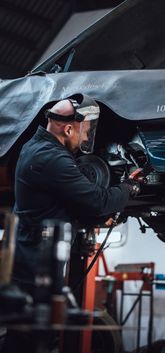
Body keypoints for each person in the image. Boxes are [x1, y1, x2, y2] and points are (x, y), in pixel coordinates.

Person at [12, 93, 139, 293]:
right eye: (86, 132)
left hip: (34, 258)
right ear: (69, 129)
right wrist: (129, 188)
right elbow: (98, 201)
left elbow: (60, 202)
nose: (88, 137)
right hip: (35, 268)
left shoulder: (35, 147)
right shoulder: (51, 158)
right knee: (35, 319)